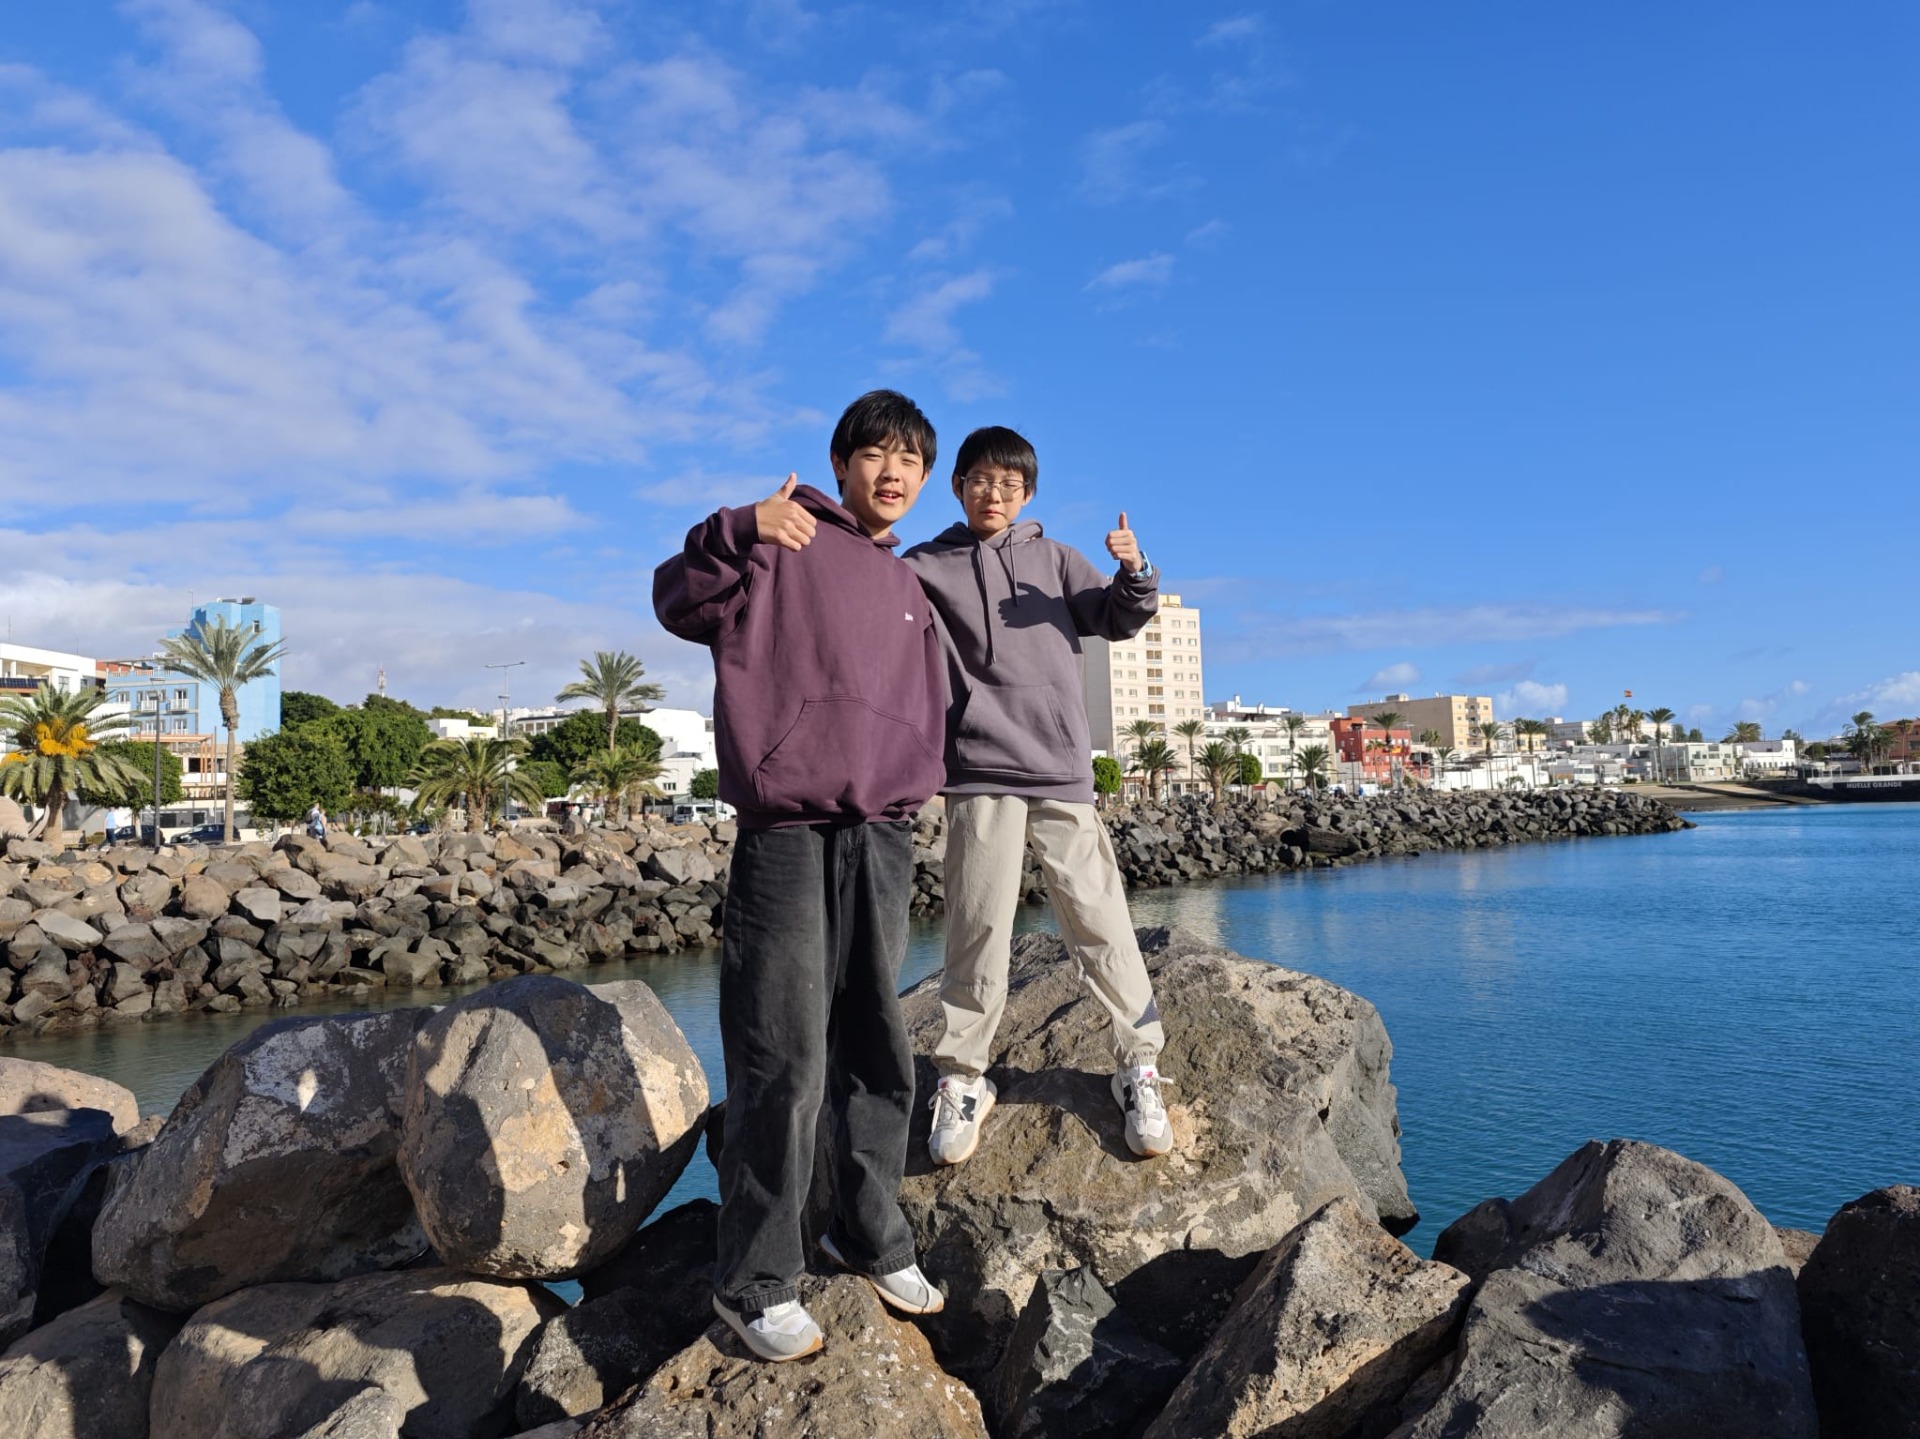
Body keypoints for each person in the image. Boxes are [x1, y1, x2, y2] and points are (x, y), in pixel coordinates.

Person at [653, 389, 949, 1362]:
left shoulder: (910, 583)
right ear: (840, 462)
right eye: (874, 454)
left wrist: (921, 785)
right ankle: (757, 1280)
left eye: (910, 458)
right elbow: (675, 596)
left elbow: (932, 699)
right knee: (781, 1053)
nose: (892, 471)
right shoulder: (786, 537)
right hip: (786, 828)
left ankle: (866, 1231)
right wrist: (742, 526)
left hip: (885, 833)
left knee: (876, 1042)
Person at [902, 425, 1173, 1166]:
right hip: (978, 770)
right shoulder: (926, 564)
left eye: (1010, 484)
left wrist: (1136, 567)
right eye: (981, 480)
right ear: (958, 485)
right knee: (977, 923)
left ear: (1028, 495)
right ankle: (962, 1076)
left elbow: (1120, 616)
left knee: (1099, 916)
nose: (995, 493)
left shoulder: (1053, 559)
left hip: (1059, 767)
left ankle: (1140, 1064)